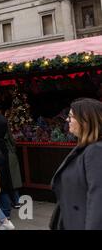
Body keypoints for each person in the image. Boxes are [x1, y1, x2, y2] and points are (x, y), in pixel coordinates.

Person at [51, 98, 102, 230]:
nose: (67, 120)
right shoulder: (83, 148)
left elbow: (98, 199)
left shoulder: (95, 151)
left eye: (71, 116)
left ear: (85, 120)